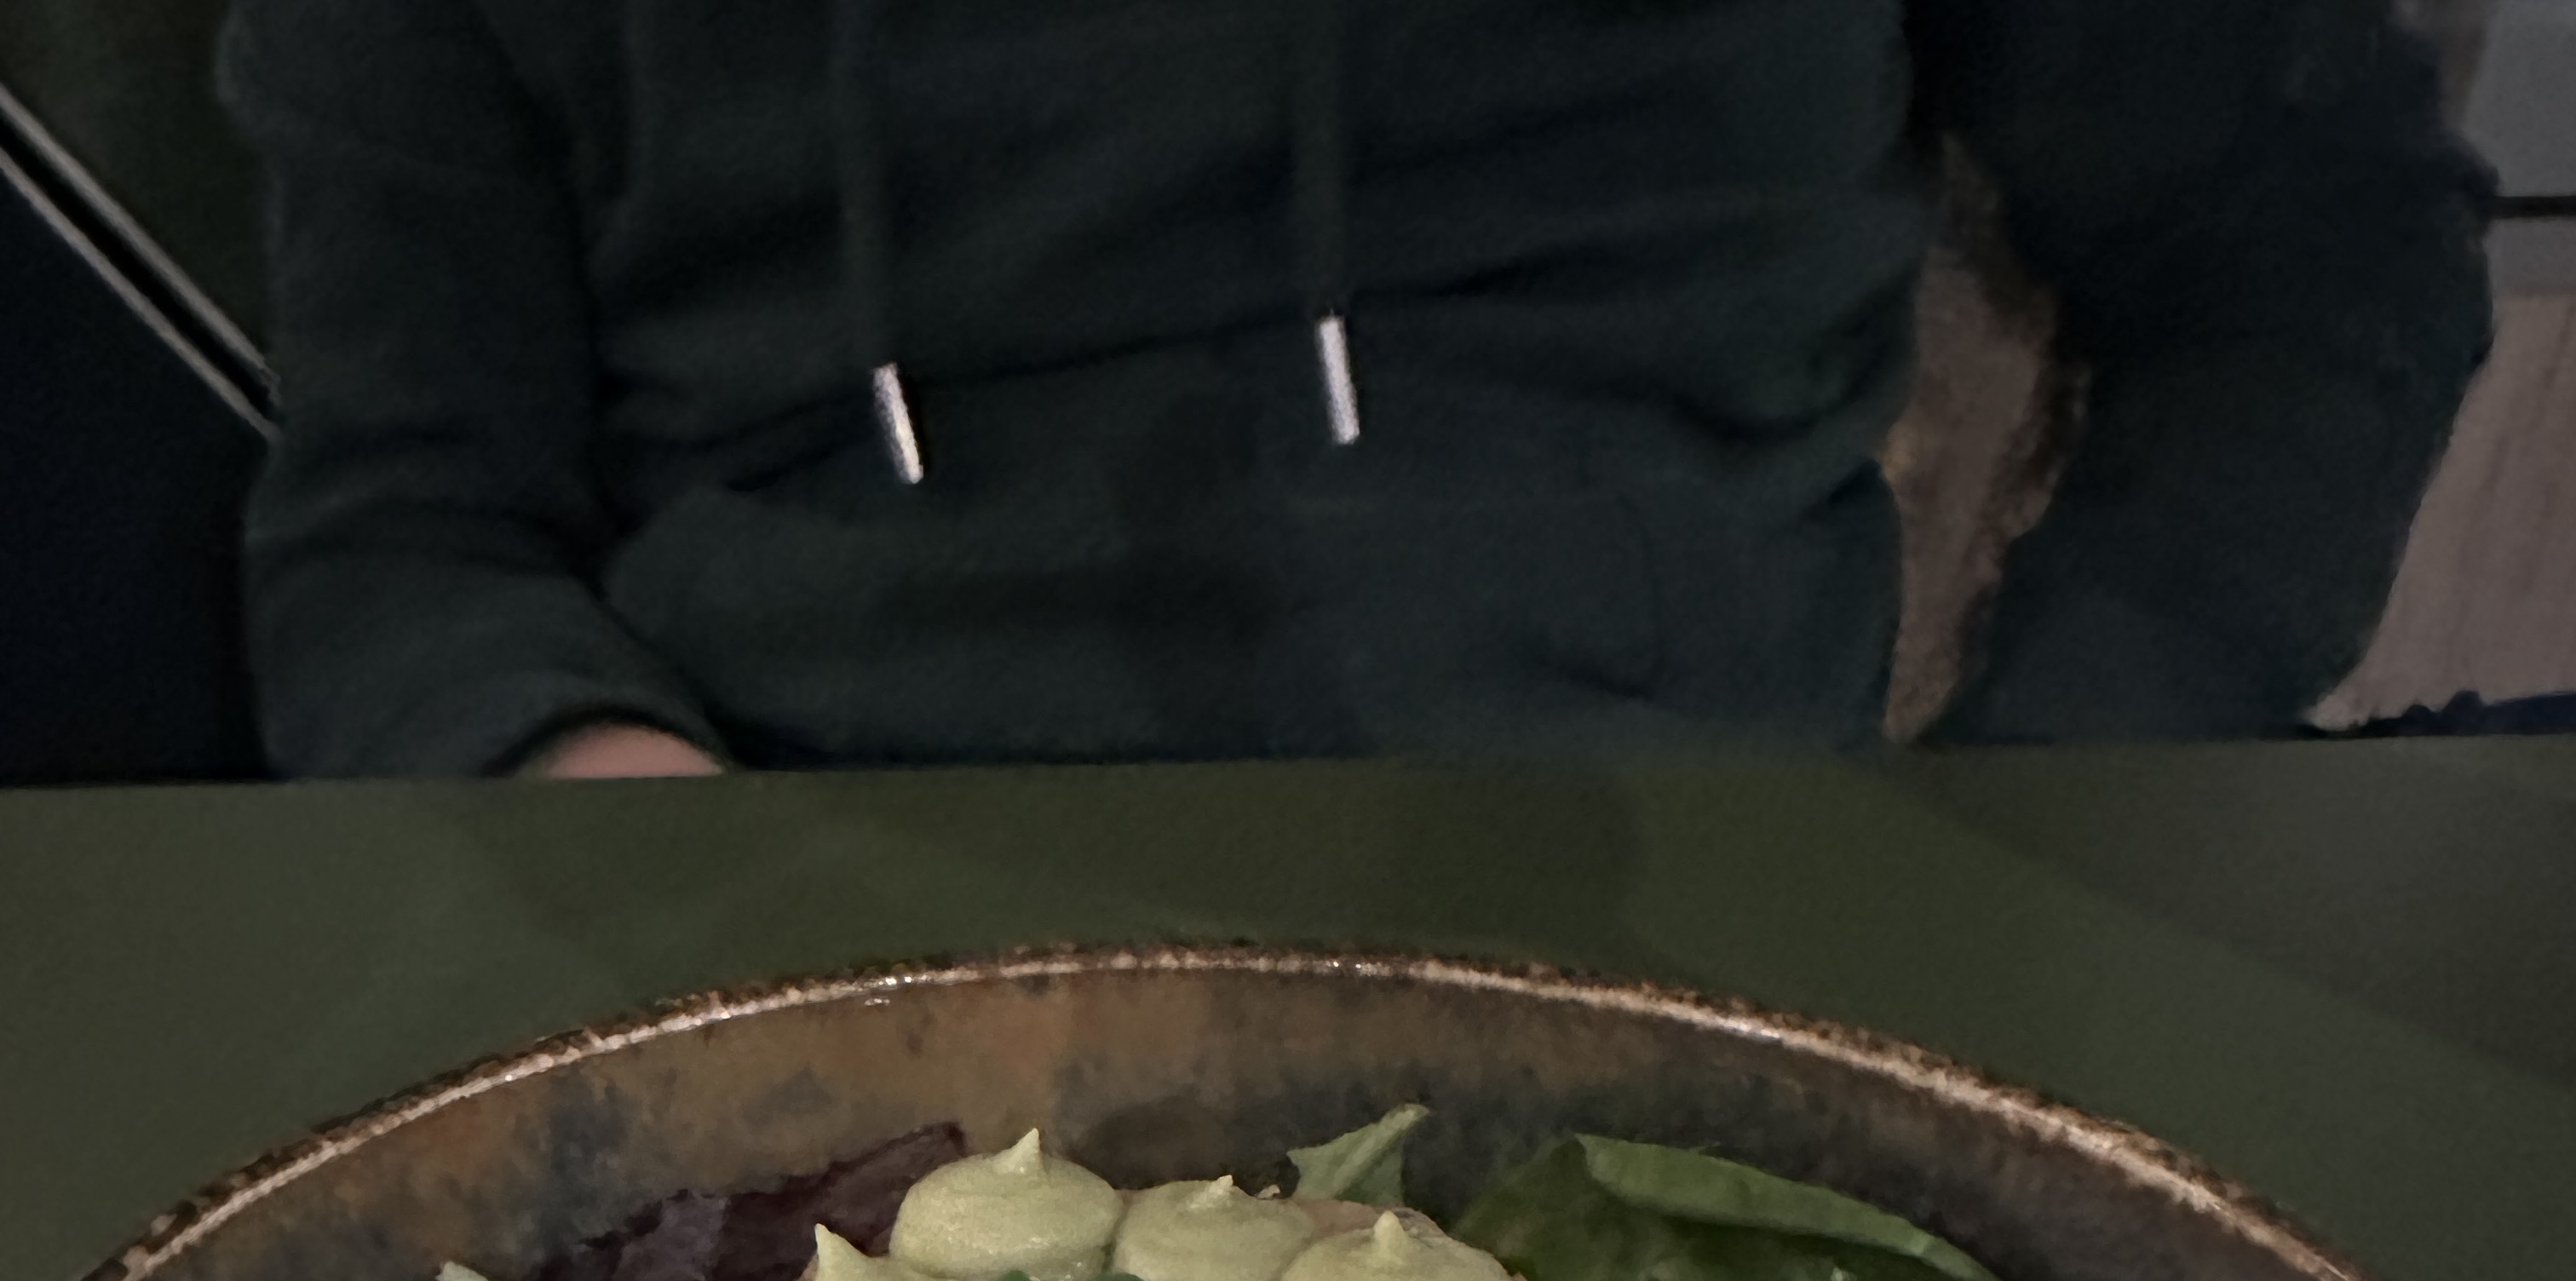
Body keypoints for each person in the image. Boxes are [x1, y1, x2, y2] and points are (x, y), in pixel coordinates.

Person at [217, 0, 2493, 780]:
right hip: (786, 922)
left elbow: (2309, 248)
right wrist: (586, 783)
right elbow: (405, 520)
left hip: (1689, 904)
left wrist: (2057, 793)